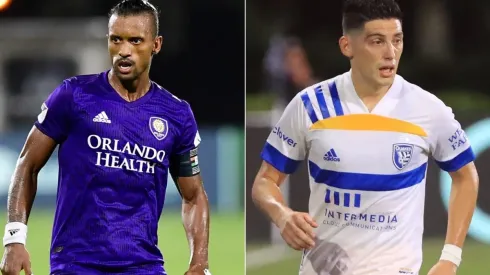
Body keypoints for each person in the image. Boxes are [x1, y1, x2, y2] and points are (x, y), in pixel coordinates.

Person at [251, 0, 479, 274]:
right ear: (347, 46)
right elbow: (264, 181)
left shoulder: (428, 109)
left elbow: (466, 176)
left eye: (397, 40)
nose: (390, 53)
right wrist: (282, 215)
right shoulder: (310, 105)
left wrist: (450, 258)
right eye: (377, 41)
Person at [0, 1, 211, 274]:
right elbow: (27, 164)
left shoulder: (175, 114)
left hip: (143, 265)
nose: (124, 51)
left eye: (136, 41)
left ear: (156, 44)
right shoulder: (73, 96)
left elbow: (194, 196)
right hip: (76, 264)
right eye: (116, 40)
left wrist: (199, 263)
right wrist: (14, 238)